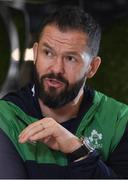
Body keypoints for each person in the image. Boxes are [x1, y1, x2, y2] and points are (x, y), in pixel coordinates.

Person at [0, 6, 128, 179]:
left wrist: (79, 151)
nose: (56, 69)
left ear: (92, 67)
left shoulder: (118, 121)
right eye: (48, 53)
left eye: (70, 58)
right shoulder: (6, 117)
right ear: (36, 53)